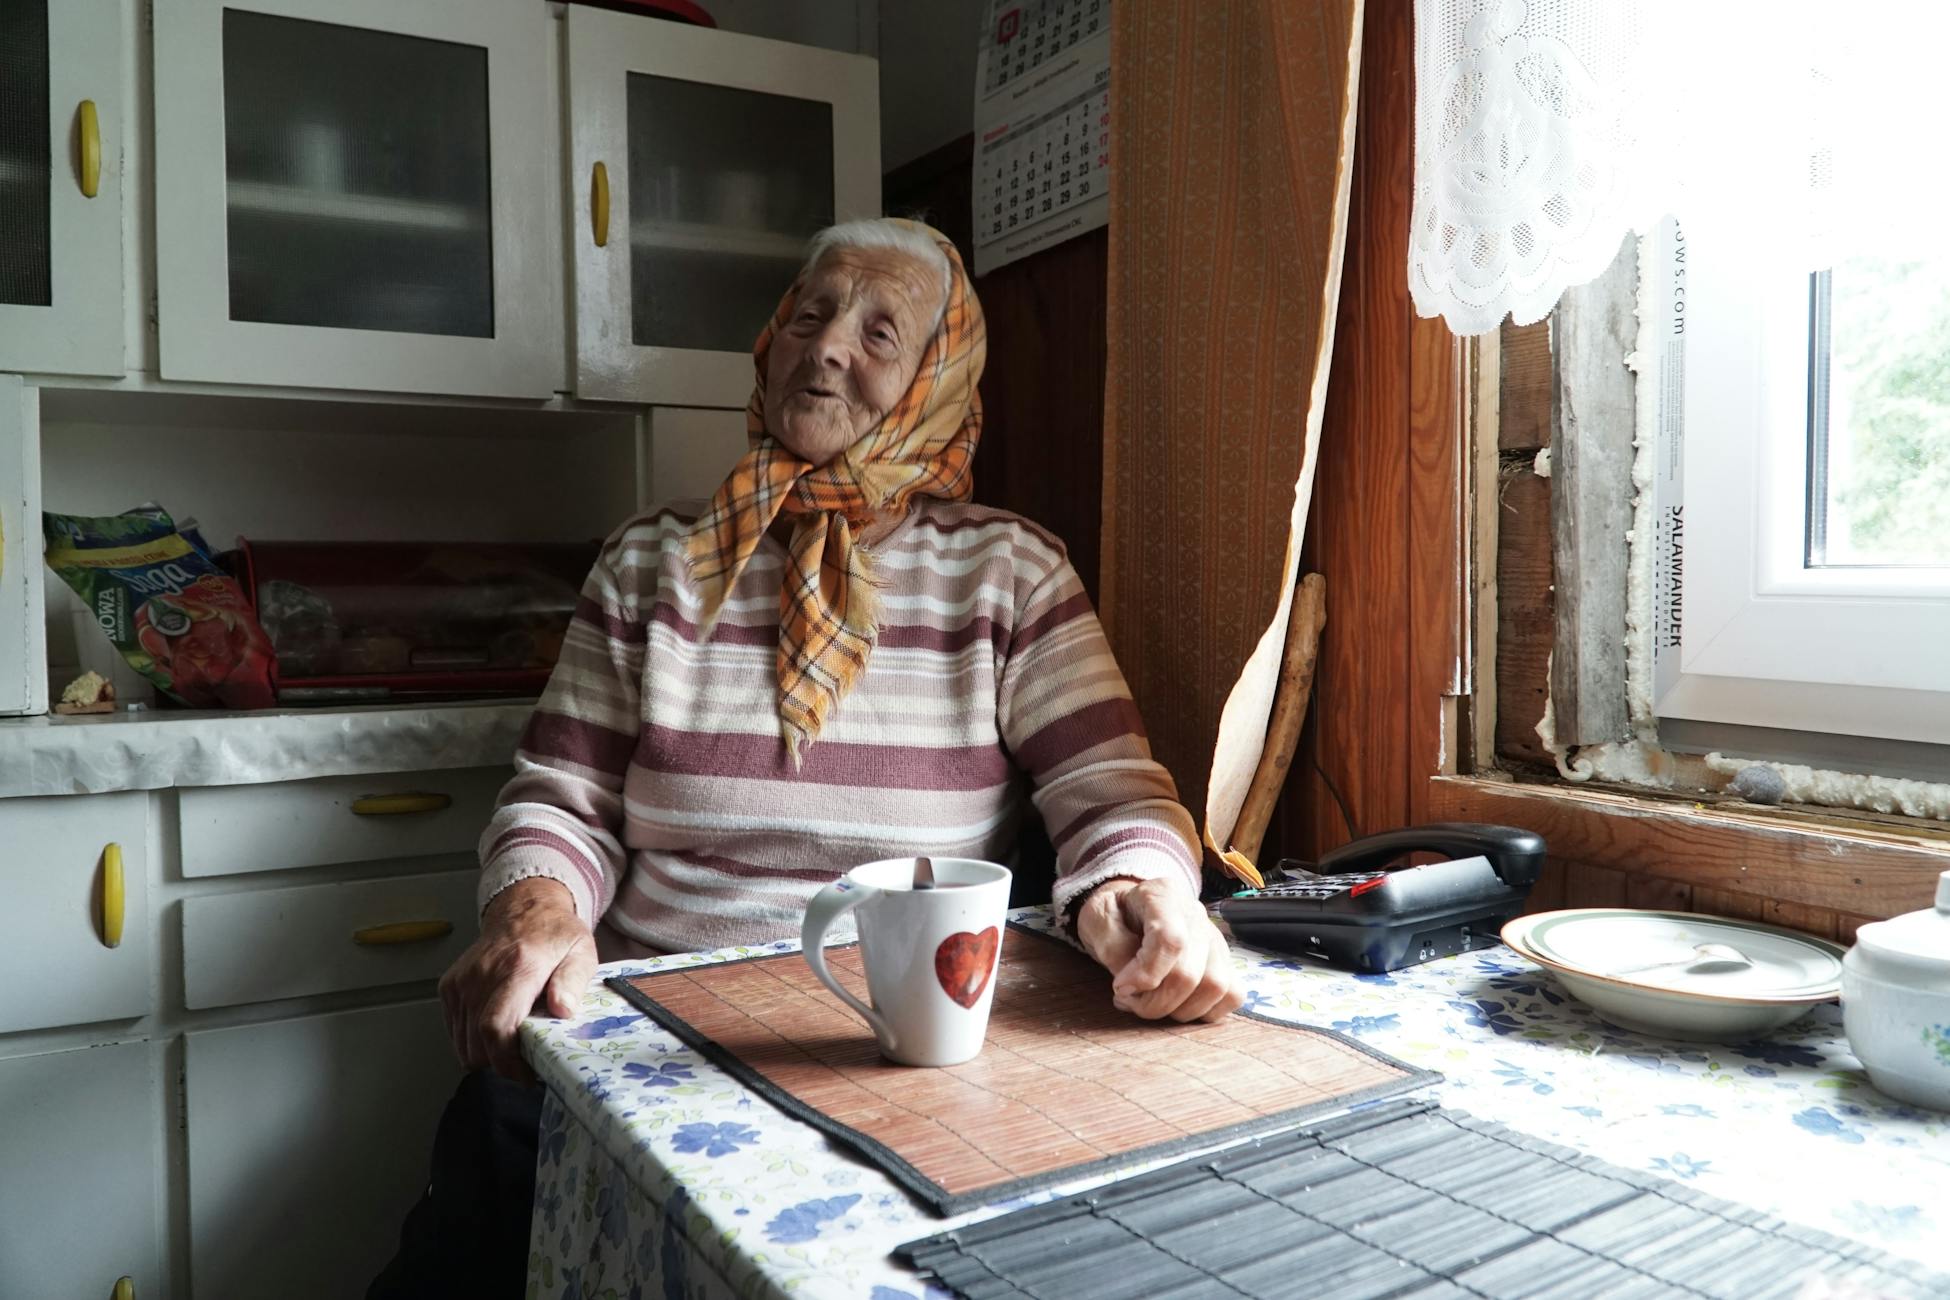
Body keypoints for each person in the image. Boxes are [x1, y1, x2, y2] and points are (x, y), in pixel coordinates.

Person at [372, 218, 1240, 1299]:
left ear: (937, 380)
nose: (828, 346)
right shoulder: (653, 562)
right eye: (811, 313)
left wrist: (1143, 885)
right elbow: (565, 794)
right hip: (642, 1043)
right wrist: (538, 905)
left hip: (897, 1057)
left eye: (881, 332)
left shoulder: (1010, 572)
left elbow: (1108, 791)